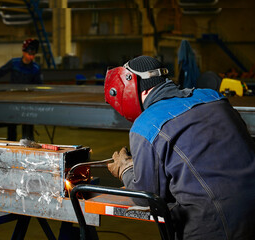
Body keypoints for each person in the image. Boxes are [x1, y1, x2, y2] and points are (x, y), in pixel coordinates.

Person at [104, 55, 255, 240]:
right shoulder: (213, 97)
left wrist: (126, 169)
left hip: (214, 225)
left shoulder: (147, 124)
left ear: (137, 89)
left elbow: (146, 196)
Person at [0, 38, 43, 140]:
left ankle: (28, 143)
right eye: (29, 54)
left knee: (28, 125)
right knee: (11, 124)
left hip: (27, 101)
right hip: (13, 99)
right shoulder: (14, 63)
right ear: (23, 52)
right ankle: (11, 143)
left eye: (33, 55)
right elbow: (1, 72)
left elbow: (39, 86)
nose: (31, 57)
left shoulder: (36, 68)